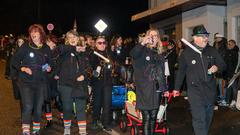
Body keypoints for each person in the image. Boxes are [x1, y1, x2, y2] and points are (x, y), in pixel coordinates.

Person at [173, 25, 226, 135]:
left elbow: (223, 65)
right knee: (199, 119)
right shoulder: (186, 53)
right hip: (195, 91)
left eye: (207, 36)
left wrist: (217, 67)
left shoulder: (212, 50)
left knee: (207, 118)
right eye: (203, 36)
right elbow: (181, 72)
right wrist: (176, 88)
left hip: (210, 90)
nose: (206, 38)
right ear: (195, 38)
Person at [11, 24, 52, 135]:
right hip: (25, 82)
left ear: (41, 34)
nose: (33, 33)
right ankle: (25, 131)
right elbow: (14, 61)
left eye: (36, 31)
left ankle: (36, 129)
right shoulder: (25, 46)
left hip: (40, 82)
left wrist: (48, 67)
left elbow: (50, 63)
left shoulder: (46, 48)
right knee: (28, 106)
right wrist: (23, 68)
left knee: (38, 108)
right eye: (31, 32)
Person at [130, 28, 167, 135]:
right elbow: (133, 54)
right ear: (147, 37)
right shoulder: (142, 50)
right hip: (144, 89)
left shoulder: (160, 53)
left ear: (158, 39)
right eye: (150, 35)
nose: (153, 37)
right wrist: (142, 42)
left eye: (155, 35)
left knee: (154, 117)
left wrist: (164, 88)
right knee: (146, 118)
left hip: (156, 89)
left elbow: (162, 73)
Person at [56, 30, 89, 135]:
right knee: (67, 108)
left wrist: (84, 75)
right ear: (67, 39)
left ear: (78, 38)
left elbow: (89, 68)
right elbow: (58, 49)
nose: (72, 39)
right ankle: (67, 128)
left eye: (74, 37)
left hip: (79, 85)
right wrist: (75, 48)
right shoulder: (63, 51)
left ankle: (83, 132)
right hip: (65, 84)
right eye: (70, 37)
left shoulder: (84, 51)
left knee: (80, 108)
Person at [89, 36, 114, 133]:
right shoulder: (92, 54)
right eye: (99, 43)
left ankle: (106, 123)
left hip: (107, 82)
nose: (102, 44)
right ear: (95, 44)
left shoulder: (109, 53)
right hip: (97, 83)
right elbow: (89, 67)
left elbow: (114, 65)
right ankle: (95, 121)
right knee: (97, 103)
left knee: (107, 104)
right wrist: (94, 71)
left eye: (104, 42)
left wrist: (113, 66)